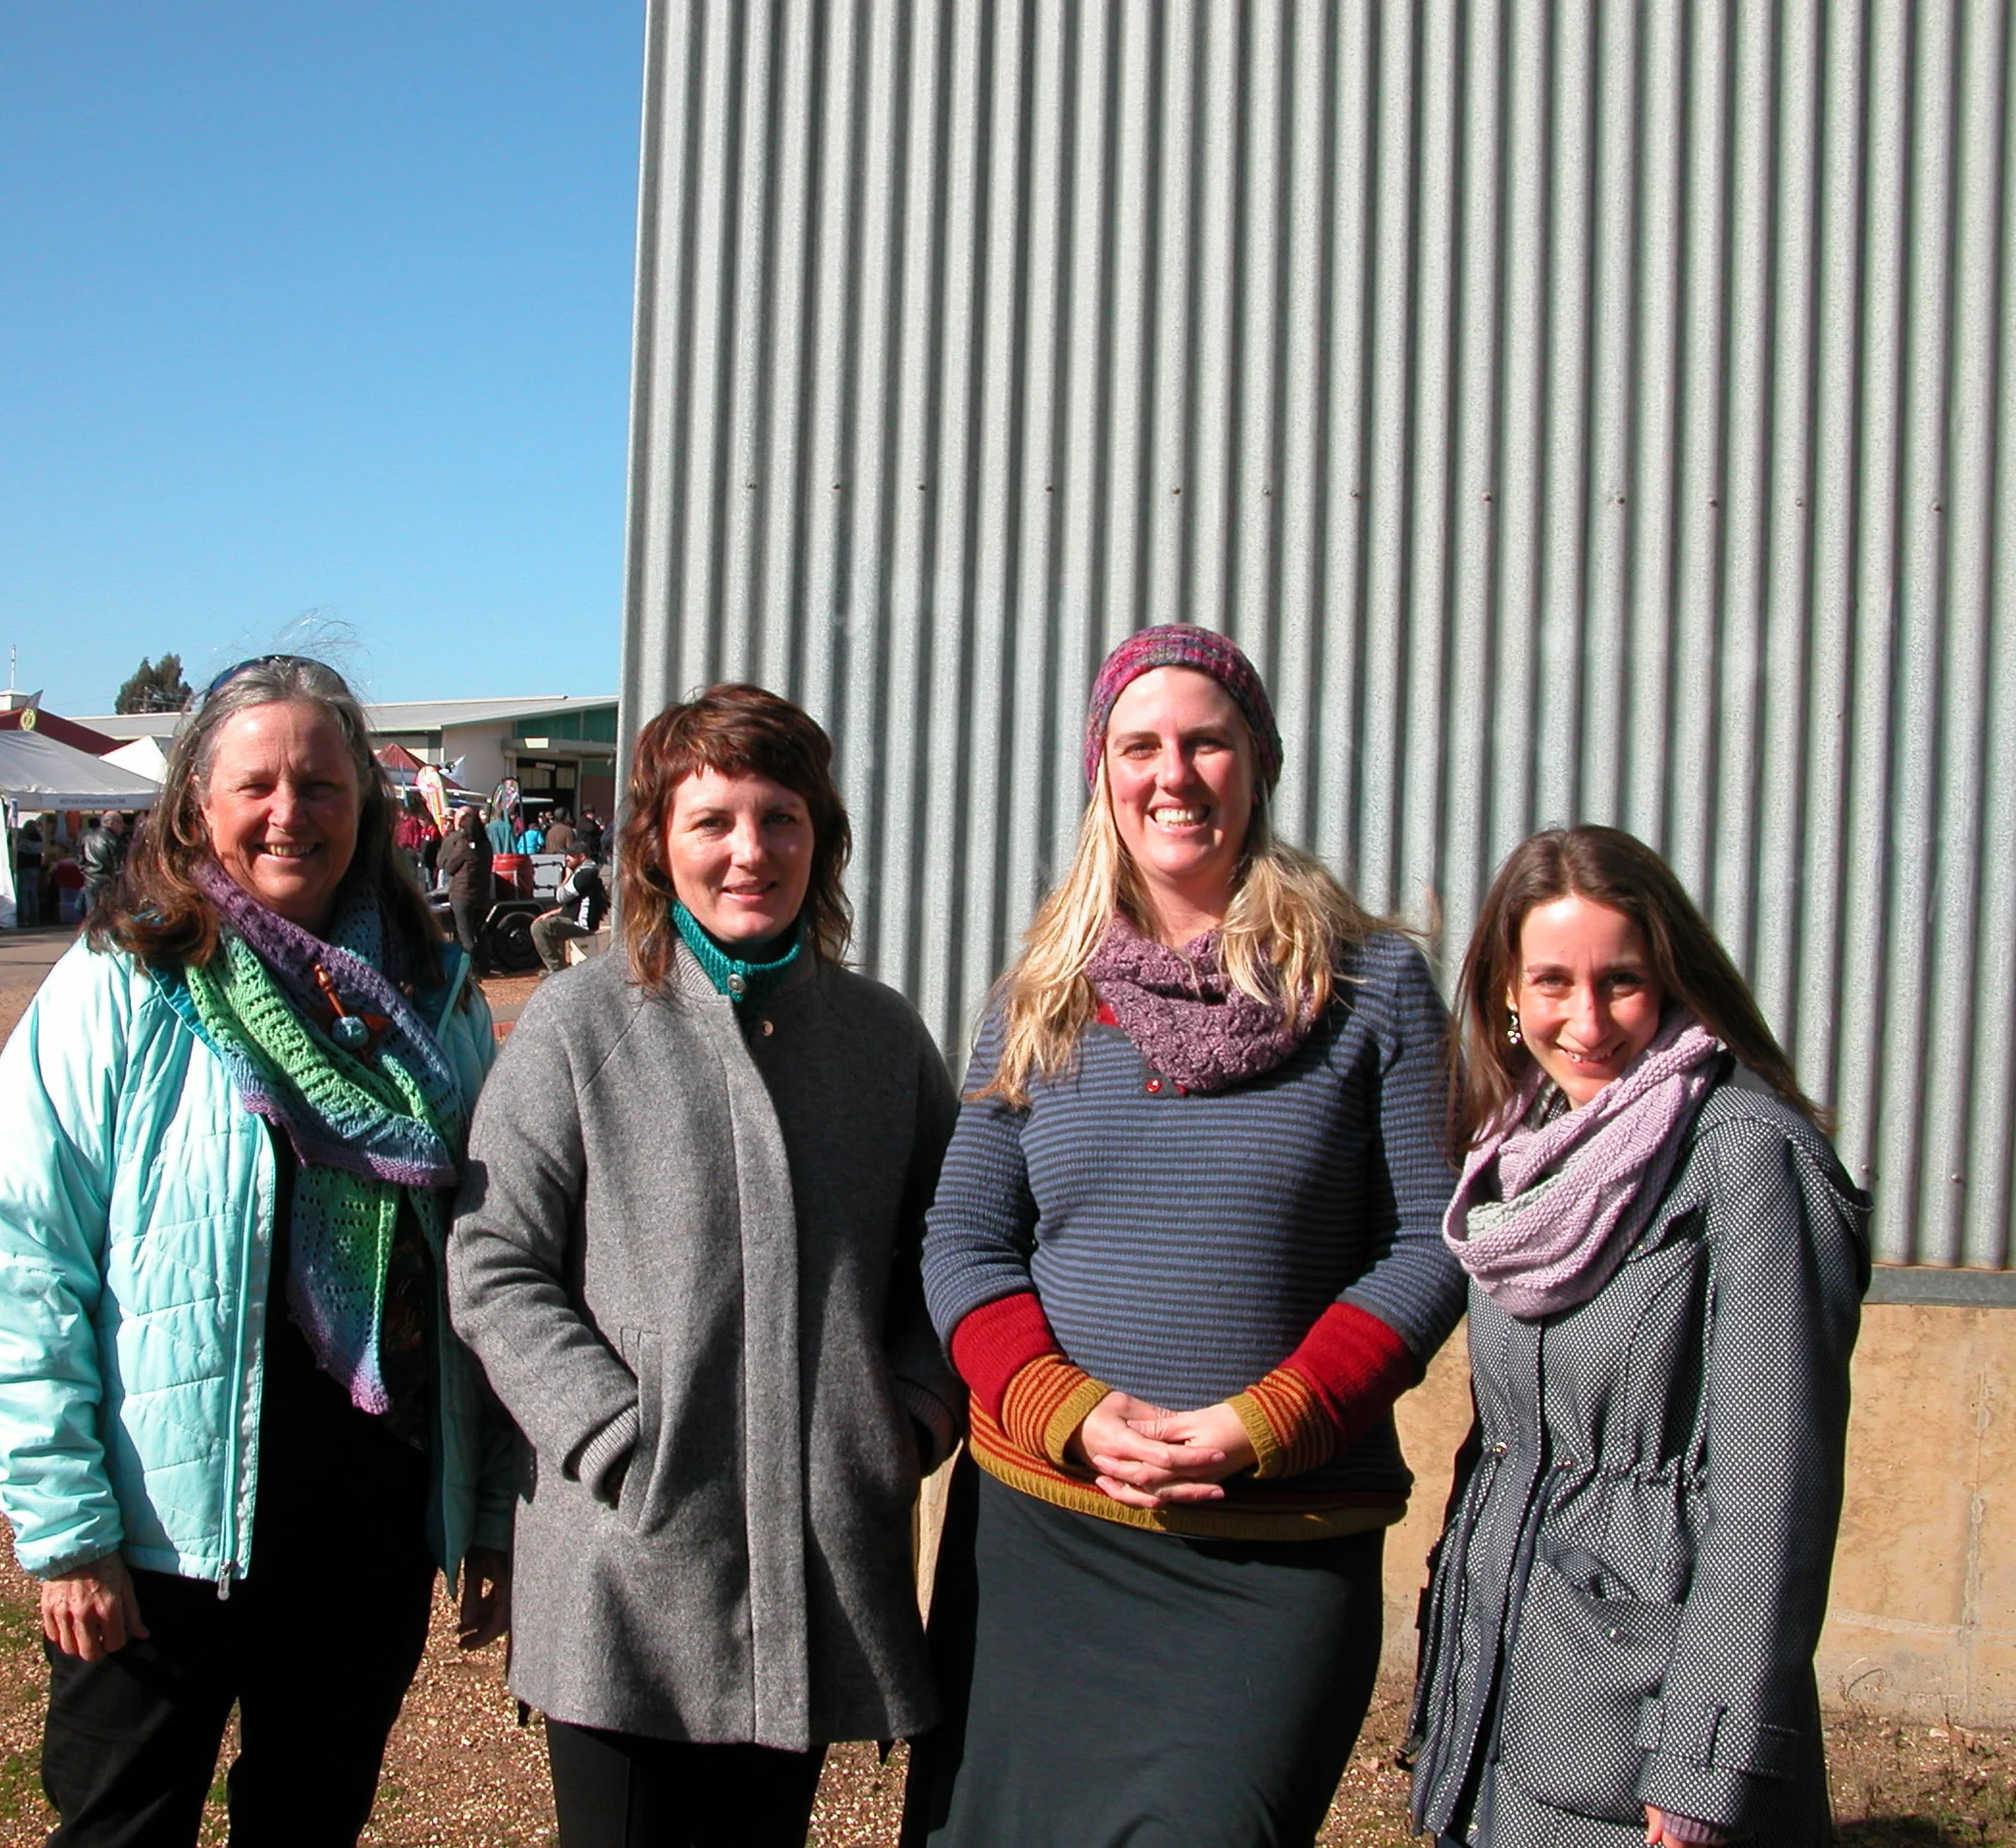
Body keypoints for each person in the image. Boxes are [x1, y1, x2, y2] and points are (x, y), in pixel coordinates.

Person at [904, 626, 1464, 1848]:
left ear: (1258, 762)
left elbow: (1429, 1240)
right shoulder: (1045, 993)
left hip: (1271, 1557)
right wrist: (1058, 1401)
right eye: (1140, 744)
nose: (1175, 774)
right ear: (1101, 771)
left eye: (1206, 742)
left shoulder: (1373, 988)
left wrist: (1274, 1417)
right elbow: (964, 1235)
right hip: (1040, 1539)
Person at [0, 656, 512, 1848]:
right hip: (163, 1530)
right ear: (195, 801)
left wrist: (491, 1512)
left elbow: (497, 1266)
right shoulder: (126, 981)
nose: (288, 814)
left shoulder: (432, 996)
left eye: (320, 784)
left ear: (364, 803)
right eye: (256, 783)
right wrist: (66, 1529)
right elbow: (19, 1255)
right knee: (120, 1828)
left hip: (365, 1518)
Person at [451, 684, 965, 1848]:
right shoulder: (579, 1024)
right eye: (713, 821)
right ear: (657, 845)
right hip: (624, 1556)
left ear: (819, 838)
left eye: (780, 818)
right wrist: (613, 1436)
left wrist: (909, 1417)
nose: (749, 851)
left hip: (818, 1557)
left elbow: (952, 1256)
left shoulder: (882, 1041)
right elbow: (494, 1260)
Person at [1407, 826, 1868, 1848]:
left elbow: (1770, 1495)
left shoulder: (1743, 1160)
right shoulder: (1521, 1159)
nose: (1586, 1019)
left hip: (1643, 1747)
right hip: (1511, 1708)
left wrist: (1706, 1764)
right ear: (1506, 998)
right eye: (1552, 982)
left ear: (1668, 977)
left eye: (1619, 981)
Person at [526, 846, 608, 975]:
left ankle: (558, 970)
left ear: (582, 857)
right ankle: (559, 968)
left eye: (571, 855)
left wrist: (567, 875)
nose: (566, 858)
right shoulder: (588, 873)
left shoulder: (584, 875)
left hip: (581, 925)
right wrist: (552, 913)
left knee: (539, 928)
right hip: (577, 921)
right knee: (549, 924)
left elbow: (560, 896)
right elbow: (576, 904)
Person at [438, 805, 495, 975]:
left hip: (461, 895)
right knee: (479, 930)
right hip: (481, 894)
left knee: (464, 933)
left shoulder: (462, 845)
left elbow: (448, 867)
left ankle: (469, 969)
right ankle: (484, 965)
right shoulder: (486, 845)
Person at [78, 810, 125, 912]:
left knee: (92, 914)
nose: (123, 826)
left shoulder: (87, 838)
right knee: (108, 915)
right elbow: (119, 865)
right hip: (107, 882)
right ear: (111, 823)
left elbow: (80, 861)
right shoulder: (113, 840)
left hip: (90, 881)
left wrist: (86, 874)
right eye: (120, 822)